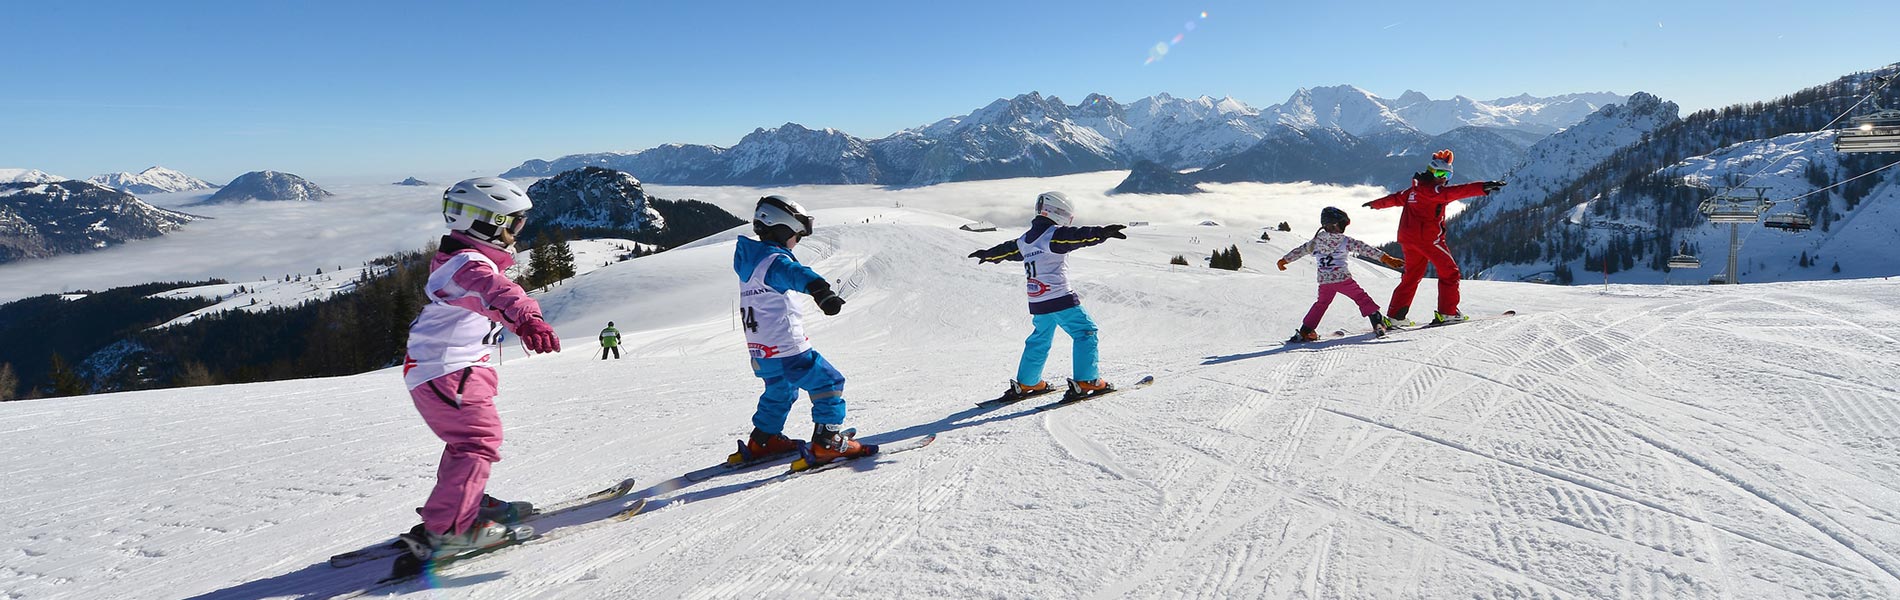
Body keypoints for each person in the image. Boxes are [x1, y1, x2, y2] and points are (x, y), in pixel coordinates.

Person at [398, 177, 562, 559]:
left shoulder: (463, 260)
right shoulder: (468, 266)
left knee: (467, 441)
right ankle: (452, 529)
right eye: (514, 223)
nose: (518, 231)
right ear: (488, 224)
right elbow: (499, 293)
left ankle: (463, 502)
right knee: (477, 439)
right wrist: (527, 320)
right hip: (447, 370)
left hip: (452, 369)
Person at [731, 195, 875, 469]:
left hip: (760, 351)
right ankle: (828, 441)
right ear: (783, 229)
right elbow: (797, 273)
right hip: (786, 348)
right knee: (828, 382)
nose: (797, 241)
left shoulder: (751, 262)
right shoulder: (774, 261)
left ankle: (764, 439)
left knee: (781, 389)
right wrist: (823, 293)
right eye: (797, 235)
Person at [968, 191, 1127, 402]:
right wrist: (1102, 233)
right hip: (1059, 297)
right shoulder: (1053, 234)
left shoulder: (1026, 240)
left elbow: (1006, 250)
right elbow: (1078, 236)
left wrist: (988, 254)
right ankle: (1087, 381)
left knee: (1040, 339)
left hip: (1038, 301)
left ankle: (1028, 382)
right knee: (1086, 332)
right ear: (1058, 213)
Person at [1362, 149, 1505, 326]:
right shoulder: (1436, 191)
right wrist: (1482, 187)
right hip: (1429, 240)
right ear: (1430, 171)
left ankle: (1395, 317)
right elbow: (1458, 192)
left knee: (1411, 277)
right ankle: (1448, 313)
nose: (1443, 177)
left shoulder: (1413, 190)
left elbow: (1395, 198)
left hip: (1408, 239)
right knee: (1450, 273)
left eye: (1447, 174)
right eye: (1439, 173)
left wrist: (1376, 204)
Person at [1277, 207, 1404, 342]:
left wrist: (1284, 260)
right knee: (1361, 298)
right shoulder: (1345, 241)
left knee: (1321, 304)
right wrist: (1386, 259)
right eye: (1342, 225)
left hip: (1325, 282)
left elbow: (1299, 251)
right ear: (1335, 225)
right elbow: (1365, 249)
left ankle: (1306, 331)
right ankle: (1378, 322)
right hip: (1343, 279)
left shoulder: (1315, 242)